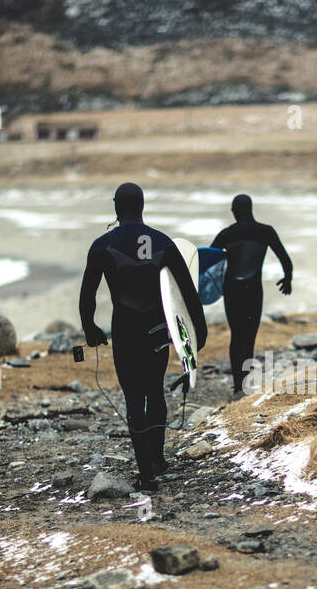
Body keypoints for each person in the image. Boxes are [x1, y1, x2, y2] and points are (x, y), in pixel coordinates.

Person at [79, 182, 207, 492]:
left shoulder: (102, 245)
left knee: (134, 398)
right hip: (157, 331)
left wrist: (90, 328)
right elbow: (189, 294)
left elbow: (88, 294)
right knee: (155, 392)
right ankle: (157, 459)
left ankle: (146, 473)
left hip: (125, 330)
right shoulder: (163, 243)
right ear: (142, 205)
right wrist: (196, 335)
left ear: (115, 207)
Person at [210, 194, 292, 397]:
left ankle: (238, 387)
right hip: (253, 291)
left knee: (236, 336)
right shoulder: (265, 231)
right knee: (248, 338)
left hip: (232, 291)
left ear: (234, 211)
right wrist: (287, 280)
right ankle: (244, 385)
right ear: (251, 209)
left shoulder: (226, 234)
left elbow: (208, 263)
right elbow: (285, 259)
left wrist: (205, 291)